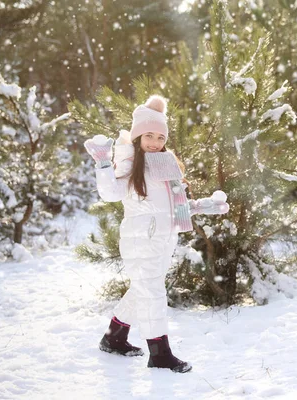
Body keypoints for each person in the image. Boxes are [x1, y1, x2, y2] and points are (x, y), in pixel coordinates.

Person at [83, 95, 229, 373]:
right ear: (137, 136)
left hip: (164, 238)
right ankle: (160, 353)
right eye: (148, 135)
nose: (154, 142)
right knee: (152, 293)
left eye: (160, 137)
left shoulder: (165, 162)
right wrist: (103, 163)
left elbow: (173, 207)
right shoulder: (129, 159)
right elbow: (111, 192)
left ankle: (113, 338)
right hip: (141, 238)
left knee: (143, 289)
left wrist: (202, 205)